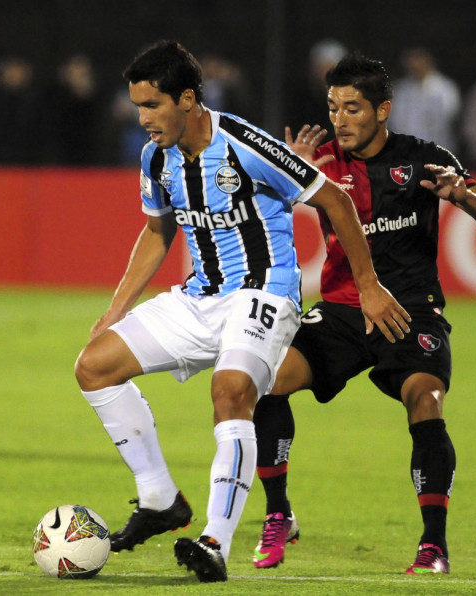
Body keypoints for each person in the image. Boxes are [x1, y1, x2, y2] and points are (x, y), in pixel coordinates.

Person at [73, 41, 409, 583]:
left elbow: (336, 201)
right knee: (93, 366)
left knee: (230, 392)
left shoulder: (245, 144)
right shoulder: (155, 156)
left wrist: (368, 285)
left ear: (187, 99)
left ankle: (214, 542)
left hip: (265, 294)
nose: (143, 119)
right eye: (138, 106)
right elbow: (158, 230)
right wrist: (116, 309)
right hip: (200, 297)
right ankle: (159, 499)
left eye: (152, 106)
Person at [251, 51, 476, 574]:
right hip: (345, 309)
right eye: (333, 108)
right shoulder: (319, 160)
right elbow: (255, 204)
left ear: (383, 110)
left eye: (352, 108)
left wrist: (460, 194)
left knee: (426, 401)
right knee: (267, 381)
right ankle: (278, 514)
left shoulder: (422, 158)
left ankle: (433, 544)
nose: (339, 120)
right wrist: (285, 171)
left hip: (411, 311)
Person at [389, 47, 461, 152]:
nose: (414, 64)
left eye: (418, 59)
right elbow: (395, 122)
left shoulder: (445, 89)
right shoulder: (400, 90)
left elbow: (448, 120)